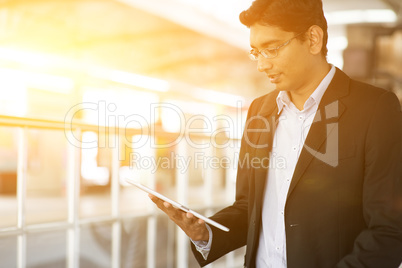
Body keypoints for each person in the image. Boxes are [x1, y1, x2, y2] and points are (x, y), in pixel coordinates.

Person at [150, 0, 402, 267]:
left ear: (313, 39)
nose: (261, 65)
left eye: (271, 49)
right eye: (256, 52)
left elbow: (389, 231)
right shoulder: (260, 111)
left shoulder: (375, 109)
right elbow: (249, 206)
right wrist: (207, 233)